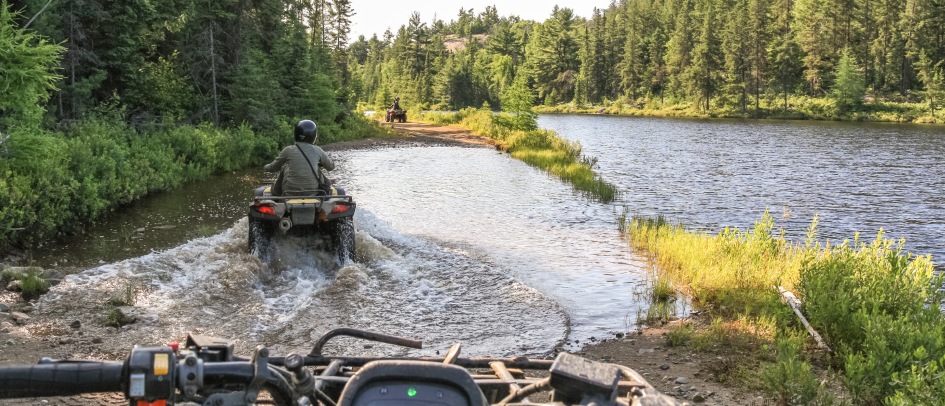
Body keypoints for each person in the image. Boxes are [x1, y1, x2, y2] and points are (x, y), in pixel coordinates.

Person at [265, 119, 335, 197]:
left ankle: (277, 192)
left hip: (289, 192)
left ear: (296, 133)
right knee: (317, 170)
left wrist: (265, 167)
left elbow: (273, 168)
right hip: (313, 192)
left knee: (285, 167)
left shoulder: (288, 150)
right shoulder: (318, 150)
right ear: (313, 136)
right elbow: (331, 167)